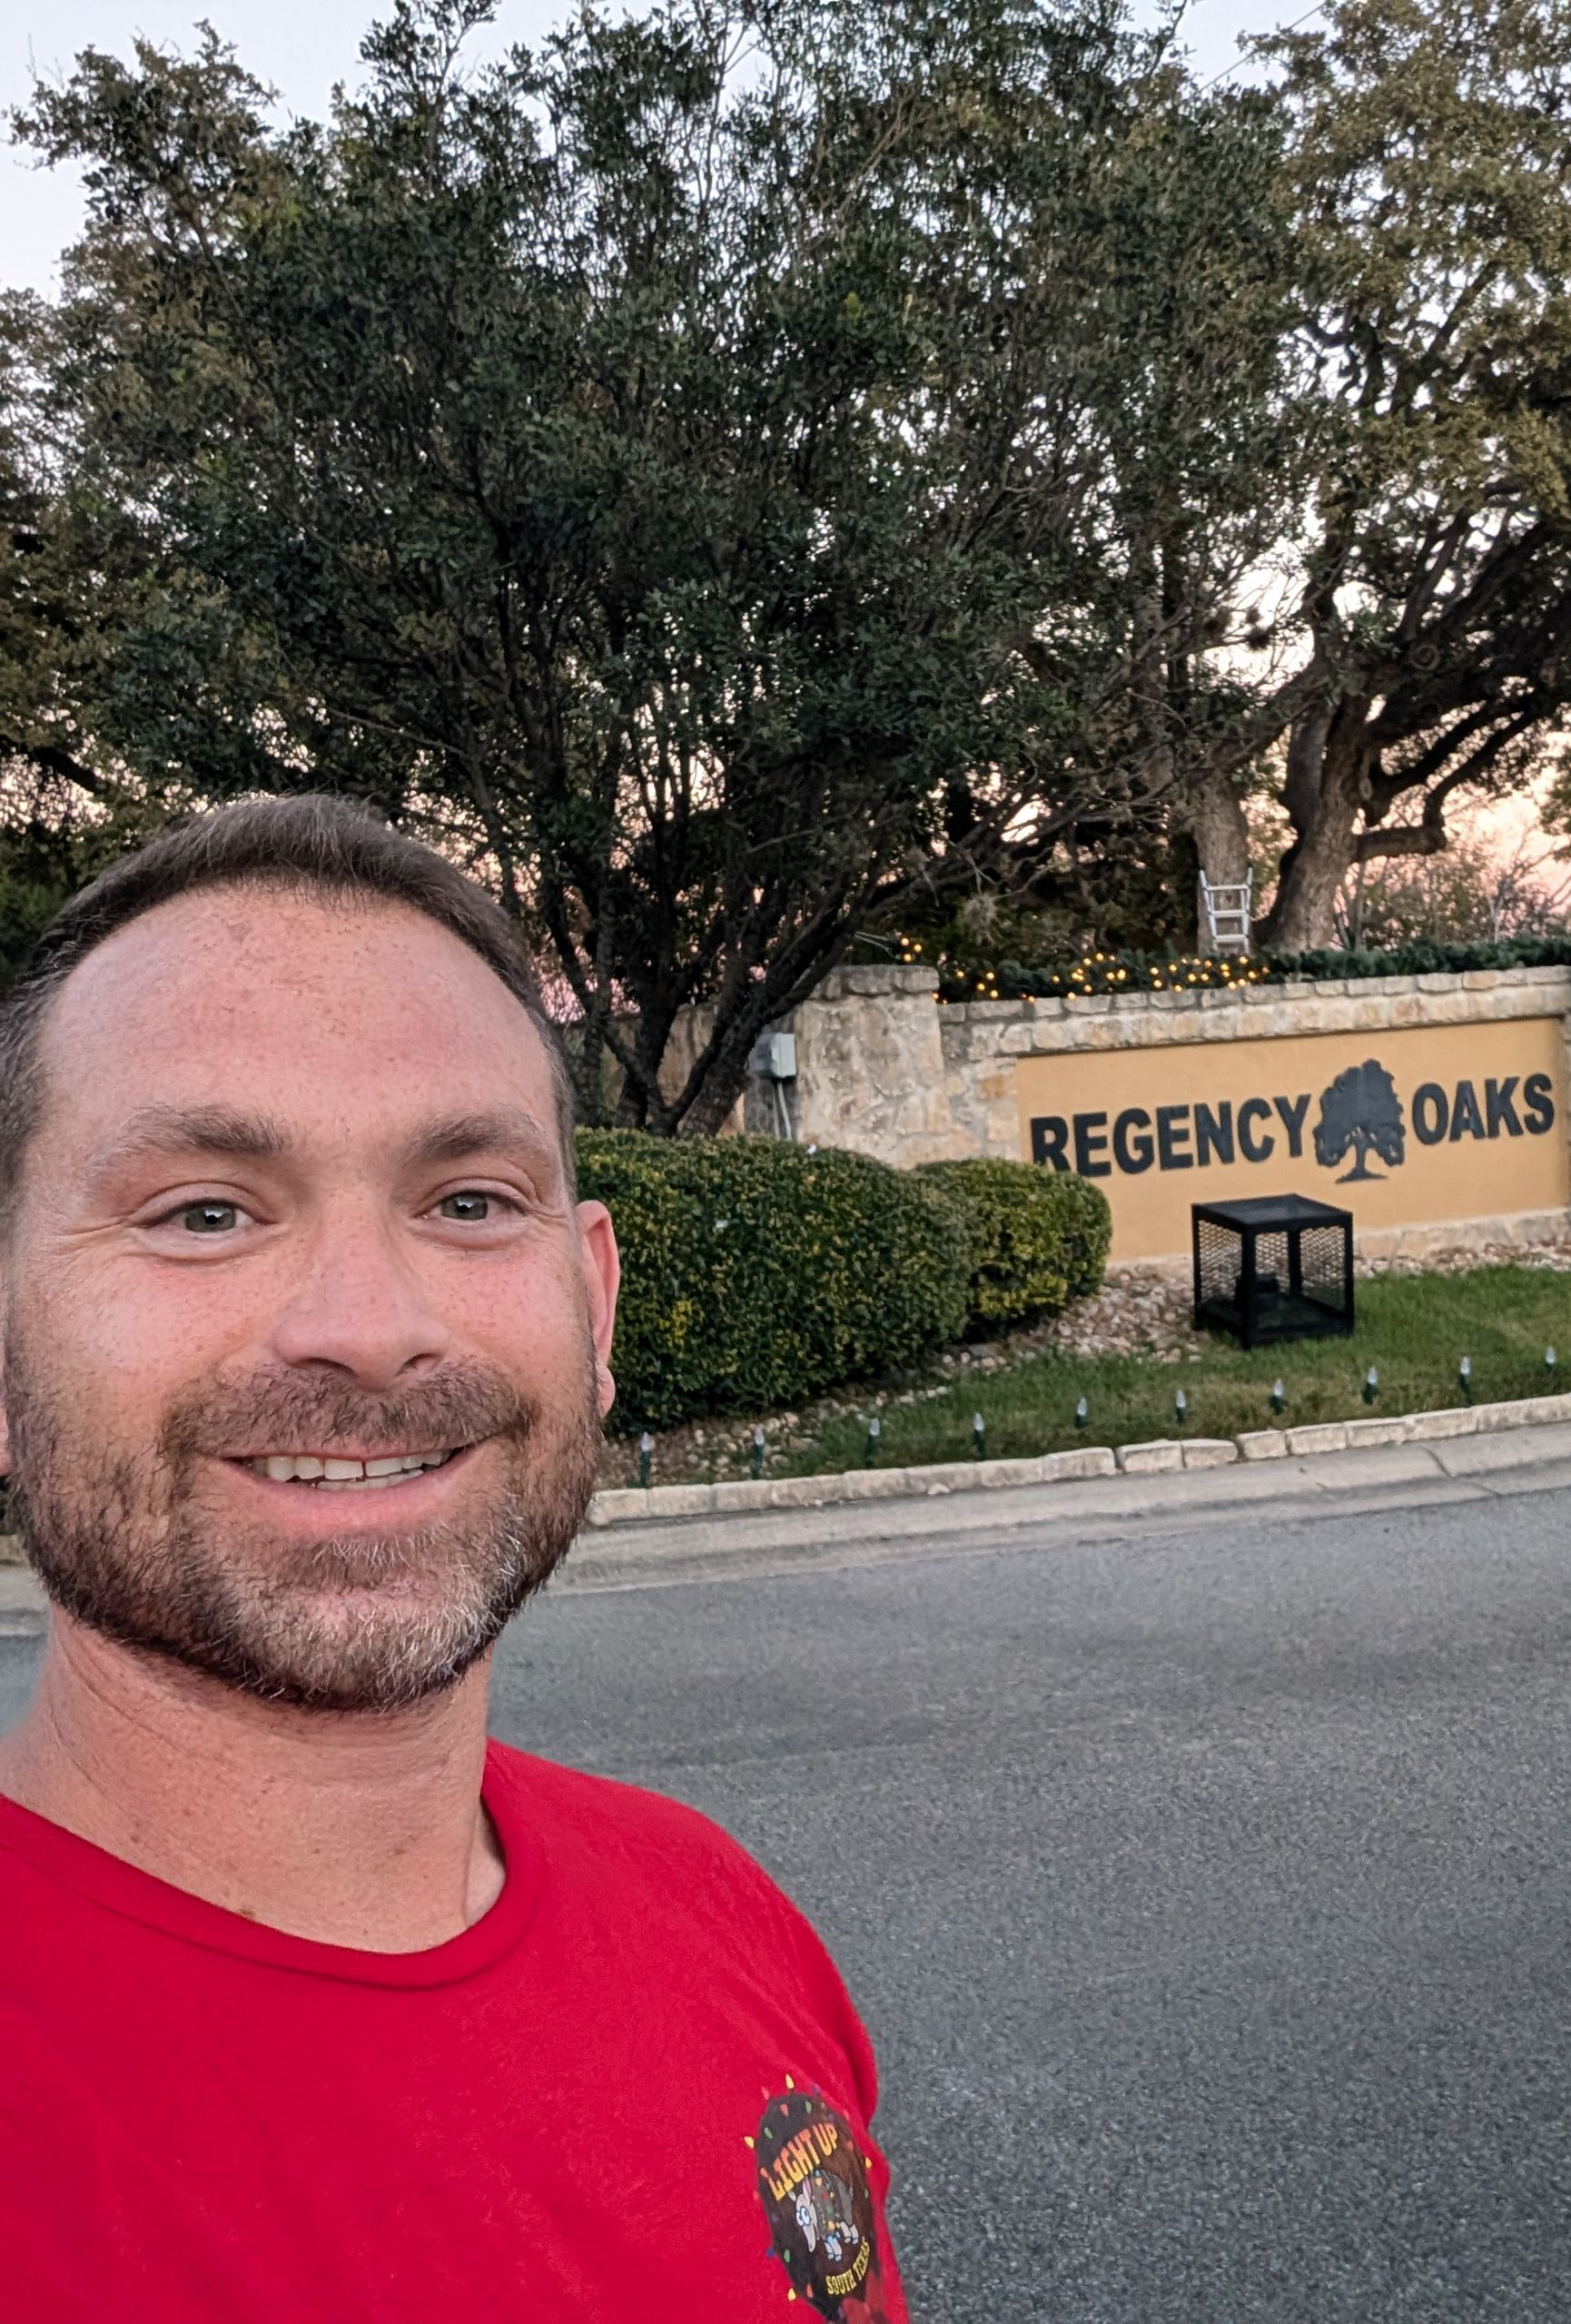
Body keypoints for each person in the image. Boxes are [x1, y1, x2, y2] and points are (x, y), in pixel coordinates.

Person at [0, 796, 908, 2324]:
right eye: (204, 1212)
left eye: (470, 1201)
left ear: (592, 1305)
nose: (368, 1326)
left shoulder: (719, 1912)